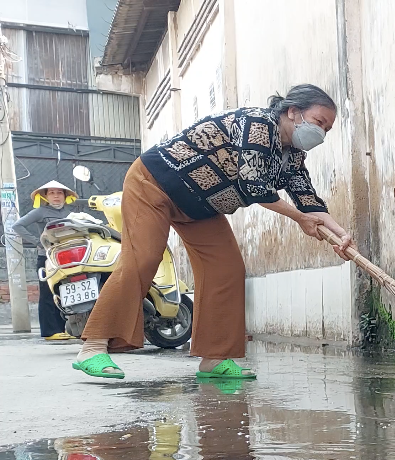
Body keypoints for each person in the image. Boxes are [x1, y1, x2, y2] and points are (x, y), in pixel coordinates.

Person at [73, 83, 354, 380]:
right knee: (143, 258)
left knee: (227, 268)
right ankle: (93, 347)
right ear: (293, 112)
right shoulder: (258, 124)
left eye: (327, 129)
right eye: (319, 122)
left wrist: (338, 232)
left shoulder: (293, 155)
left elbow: (308, 199)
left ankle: (214, 358)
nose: (321, 132)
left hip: (200, 204)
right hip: (155, 182)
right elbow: (254, 186)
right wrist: (300, 219)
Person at [13, 180, 80, 340]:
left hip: (67, 258)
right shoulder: (40, 212)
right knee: (47, 294)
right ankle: (50, 332)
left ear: (65, 196)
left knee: (64, 293)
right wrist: (38, 242)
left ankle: (64, 329)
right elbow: (18, 226)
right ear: (45, 196)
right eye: (52, 193)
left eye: (59, 193)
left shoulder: (70, 213)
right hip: (47, 258)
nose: (56, 196)